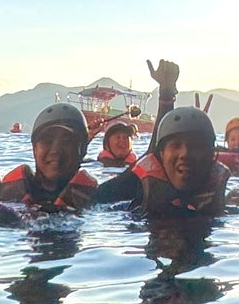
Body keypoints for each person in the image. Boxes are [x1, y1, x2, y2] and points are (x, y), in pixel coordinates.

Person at [0, 50, 98, 212]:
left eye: (67, 141)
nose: (55, 150)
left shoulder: (100, 199)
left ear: (82, 149)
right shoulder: (3, 194)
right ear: (34, 148)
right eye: (47, 140)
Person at [95, 61, 231, 216]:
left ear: (211, 156)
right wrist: (166, 96)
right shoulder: (134, 193)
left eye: (196, 146)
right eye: (175, 145)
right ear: (161, 156)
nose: (185, 154)